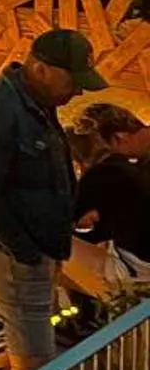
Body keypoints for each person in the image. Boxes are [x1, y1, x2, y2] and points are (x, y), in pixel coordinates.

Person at [0, 26, 101, 370]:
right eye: (74, 80)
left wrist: (66, 216)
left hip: (34, 252)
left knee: (19, 345)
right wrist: (25, 252)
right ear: (40, 69)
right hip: (12, 259)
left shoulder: (36, 100)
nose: (79, 90)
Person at [65, 101, 150, 288]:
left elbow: (88, 232)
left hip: (141, 267)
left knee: (55, 236)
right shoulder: (136, 165)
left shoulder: (106, 172)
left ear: (118, 138)